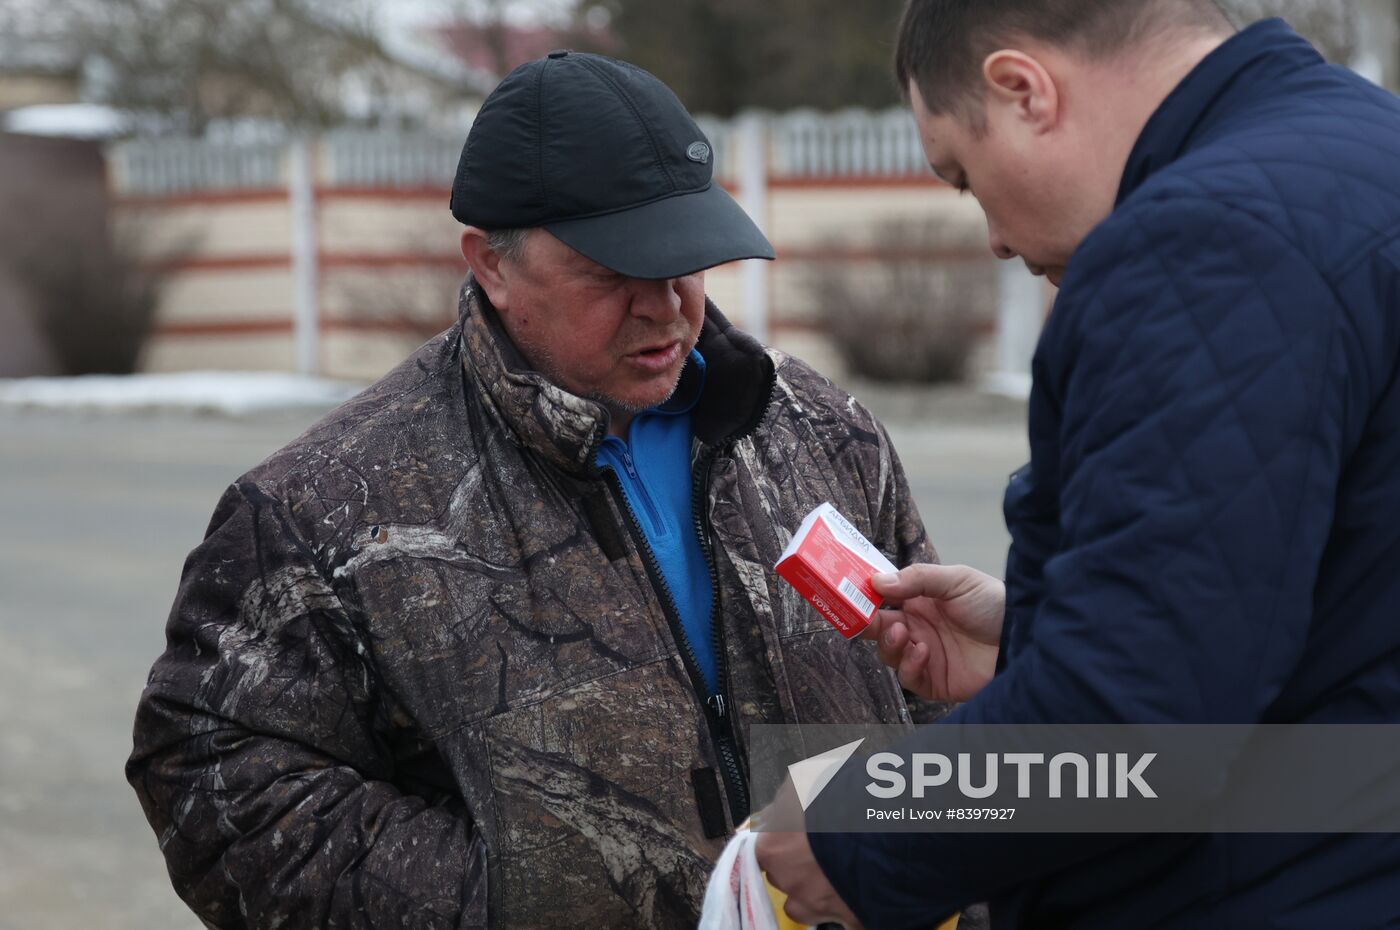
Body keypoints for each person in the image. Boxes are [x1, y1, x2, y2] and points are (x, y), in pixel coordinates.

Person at [126, 52, 939, 929]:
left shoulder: (820, 429)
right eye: (616, 270)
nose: (666, 305)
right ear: (492, 265)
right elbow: (211, 773)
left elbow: (939, 705)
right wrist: (507, 901)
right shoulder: (324, 509)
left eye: (689, 260)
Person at [758, 1, 1400, 927]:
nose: (994, 238)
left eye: (966, 177)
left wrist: (867, 829)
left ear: (1024, 91)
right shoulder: (1362, 156)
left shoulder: (1203, 244)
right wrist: (1042, 636)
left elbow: (1143, 711)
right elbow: (1329, 598)